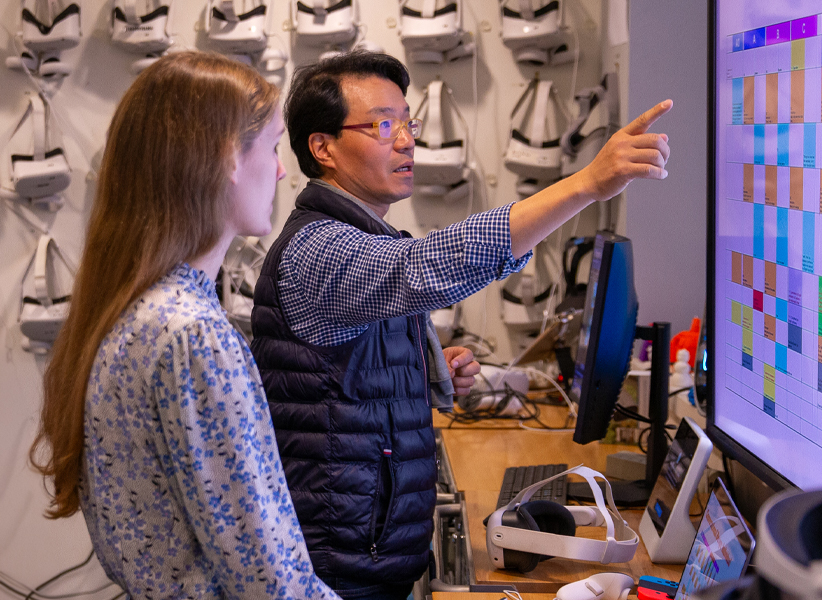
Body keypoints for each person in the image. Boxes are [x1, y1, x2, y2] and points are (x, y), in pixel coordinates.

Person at [251, 50, 672, 600]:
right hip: (340, 562)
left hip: (363, 546)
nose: (406, 140)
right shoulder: (320, 248)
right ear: (322, 147)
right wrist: (585, 185)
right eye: (382, 125)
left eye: (408, 122)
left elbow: (341, 382)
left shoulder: (361, 239)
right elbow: (427, 269)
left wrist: (426, 370)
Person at [29, 51, 338, 600]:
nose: (283, 168)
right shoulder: (192, 336)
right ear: (227, 158)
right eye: (271, 146)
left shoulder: (133, 311)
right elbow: (271, 583)